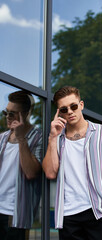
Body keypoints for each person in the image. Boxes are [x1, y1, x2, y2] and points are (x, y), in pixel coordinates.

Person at [42, 86, 102, 240]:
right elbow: (50, 172)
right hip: (69, 218)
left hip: (101, 212)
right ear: (59, 112)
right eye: (64, 109)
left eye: (73, 106)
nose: (69, 111)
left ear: (81, 105)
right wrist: (52, 137)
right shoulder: (57, 139)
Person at [0, 90, 42, 240]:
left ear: (24, 114)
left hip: (15, 214)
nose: (7, 117)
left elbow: (31, 173)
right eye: (6, 112)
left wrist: (21, 139)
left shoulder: (39, 137)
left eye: (12, 113)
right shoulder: (2, 138)